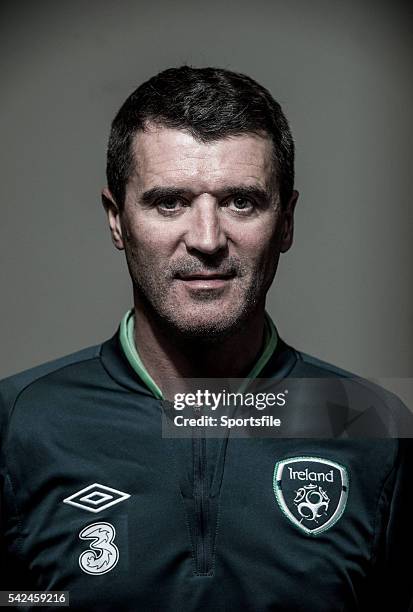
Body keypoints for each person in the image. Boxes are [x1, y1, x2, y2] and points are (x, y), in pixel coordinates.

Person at [0, 66, 411, 611]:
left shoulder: (367, 422)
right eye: (168, 202)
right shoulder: (21, 421)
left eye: (242, 201)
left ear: (285, 221)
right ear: (117, 220)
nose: (207, 239)